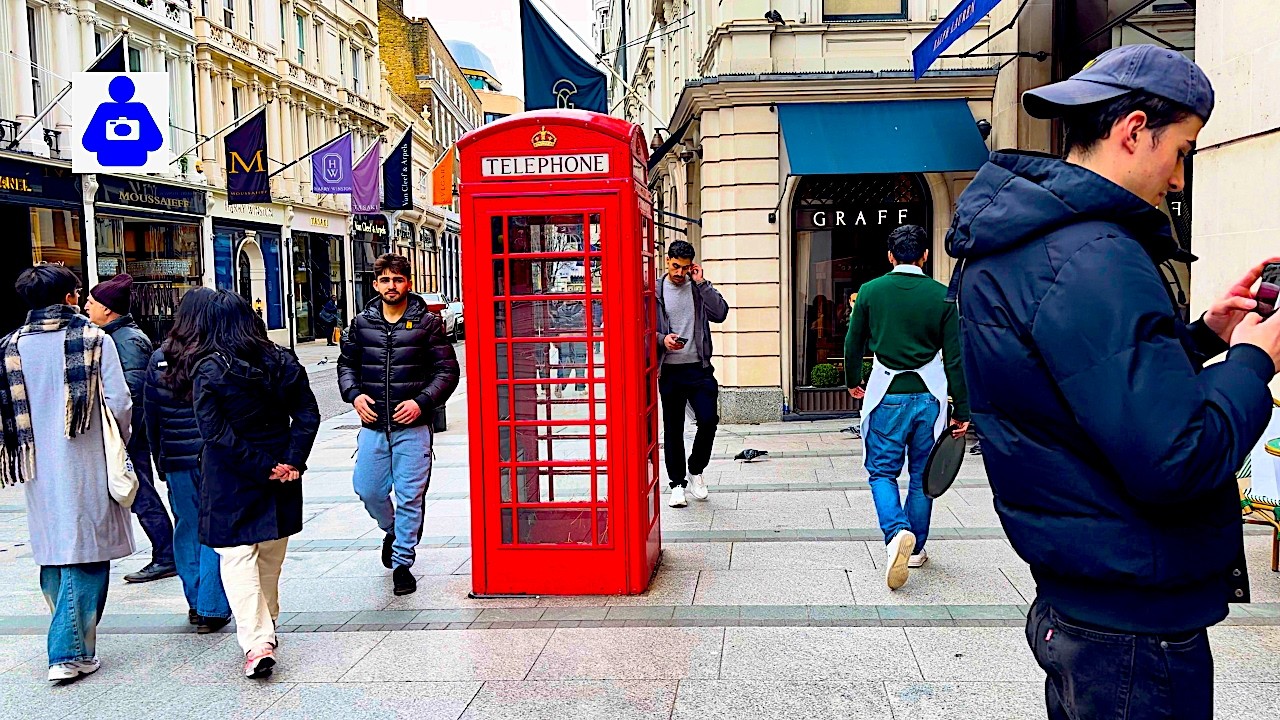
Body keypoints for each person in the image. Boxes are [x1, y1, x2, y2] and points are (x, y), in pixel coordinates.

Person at [947, 45, 1280, 719]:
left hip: (1081, 603)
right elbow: (1177, 458)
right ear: (1132, 130)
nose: (1179, 178)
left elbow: (1079, 391)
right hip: (1135, 626)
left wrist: (1208, 336)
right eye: (1182, 151)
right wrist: (1256, 359)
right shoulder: (1096, 255)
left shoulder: (1025, 242)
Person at [0, 264, 134, 682]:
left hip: (35, 463)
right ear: (71, 297)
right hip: (86, 456)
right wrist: (118, 440)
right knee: (86, 551)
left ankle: (72, 641)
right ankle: (68, 651)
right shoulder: (92, 339)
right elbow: (119, 401)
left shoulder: (10, 346)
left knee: (57, 550)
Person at [184, 291, 319, 678]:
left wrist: (265, 467)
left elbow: (216, 434)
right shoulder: (284, 360)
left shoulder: (208, 369)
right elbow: (308, 413)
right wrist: (290, 461)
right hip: (282, 473)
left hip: (232, 476)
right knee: (270, 557)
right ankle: (264, 629)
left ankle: (258, 640)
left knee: (238, 556)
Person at [845, 225, 969, 590]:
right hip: (930, 396)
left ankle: (896, 532)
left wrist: (853, 379)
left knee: (882, 472)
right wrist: (963, 409)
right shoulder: (943, 295)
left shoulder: (870, 291)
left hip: (887, 393)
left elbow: (854, 342)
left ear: (890, 256)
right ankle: (916, 549)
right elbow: (956, 358)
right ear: (925, 256)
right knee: (922, 475)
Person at [338, 254, 459, 597]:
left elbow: (447, 371)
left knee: (410, 497)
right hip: (374, 426)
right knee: (368, 490)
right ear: (375, 284)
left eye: (399, 280)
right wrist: (354, 395)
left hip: (413, 428)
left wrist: (422, 402)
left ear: (408, 283)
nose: (392, 286)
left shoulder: (427, 323)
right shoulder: (361, 323)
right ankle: (393, 531)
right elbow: (347, 365)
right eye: (386, 280)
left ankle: (402, 563)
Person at [143, 288, 232, 634]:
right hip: (214, 455)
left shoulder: (159, 357)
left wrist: (159, 458)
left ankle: (195, 601)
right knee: (216, 528)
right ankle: (212, 605)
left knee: (187, 527)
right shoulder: (220, 354)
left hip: (176, 457)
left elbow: (150, 416)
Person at [85, 273, 176, 584]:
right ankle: (166, 553)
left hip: (131, 431)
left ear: (108, 309)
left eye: (92, 302)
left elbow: (132, 393)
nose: (86, 306)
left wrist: (122, 436)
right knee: (139, 490)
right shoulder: (115, 336)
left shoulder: (125, 340)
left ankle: (166, 554)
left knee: (139, 491)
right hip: (131, 430)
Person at [656, 240, 729, 508]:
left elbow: (720, 313)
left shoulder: (698, 288)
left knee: (709, 420)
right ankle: (677, 484)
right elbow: (641, 329)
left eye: (686, 268)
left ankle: (695, 469)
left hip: (699, 368)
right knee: (673, 429)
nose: (680, 273)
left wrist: (702, 283)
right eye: (676, 267)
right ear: (667, 261)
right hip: (671, 371)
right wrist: (663, 340)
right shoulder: (654, 291)